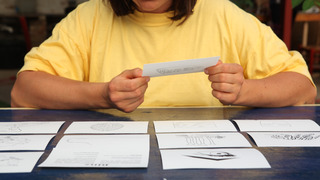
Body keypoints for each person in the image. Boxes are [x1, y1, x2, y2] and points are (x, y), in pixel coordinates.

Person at [11, 0, 316, 113]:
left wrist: (243, 90)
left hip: (214, 173)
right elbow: (24, 91)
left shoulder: (223, 13)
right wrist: (102, 94)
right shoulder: (89, 16)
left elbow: (303, 88)